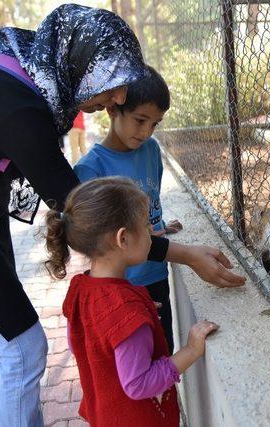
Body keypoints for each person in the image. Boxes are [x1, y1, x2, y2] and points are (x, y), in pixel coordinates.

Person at [0, 5, 244, 426]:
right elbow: (94, 214)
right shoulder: (18, 110)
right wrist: (185, 254)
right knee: (21, 347)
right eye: (111, 83)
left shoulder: (31, 63)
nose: (119, 99)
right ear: (82, 64)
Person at [45, 177, 218, 427]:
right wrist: (190, 350)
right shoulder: (125, 309)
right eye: (146, 224)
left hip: (104, 415)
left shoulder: (80, 288)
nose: (151, 231)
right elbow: (138, 384)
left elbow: (80, 343)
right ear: (122, 238)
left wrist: (135, 318)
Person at [75, 66, 180, 351]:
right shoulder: (90, 170)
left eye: (155, 123)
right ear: (112, 109)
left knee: (163, 351)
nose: (146, 132)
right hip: (122, 286)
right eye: (140, 120)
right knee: (133, 368)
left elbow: (150, 201)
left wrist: (158, 227)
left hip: (157, 274)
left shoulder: (151, 150)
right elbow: (92, 240)